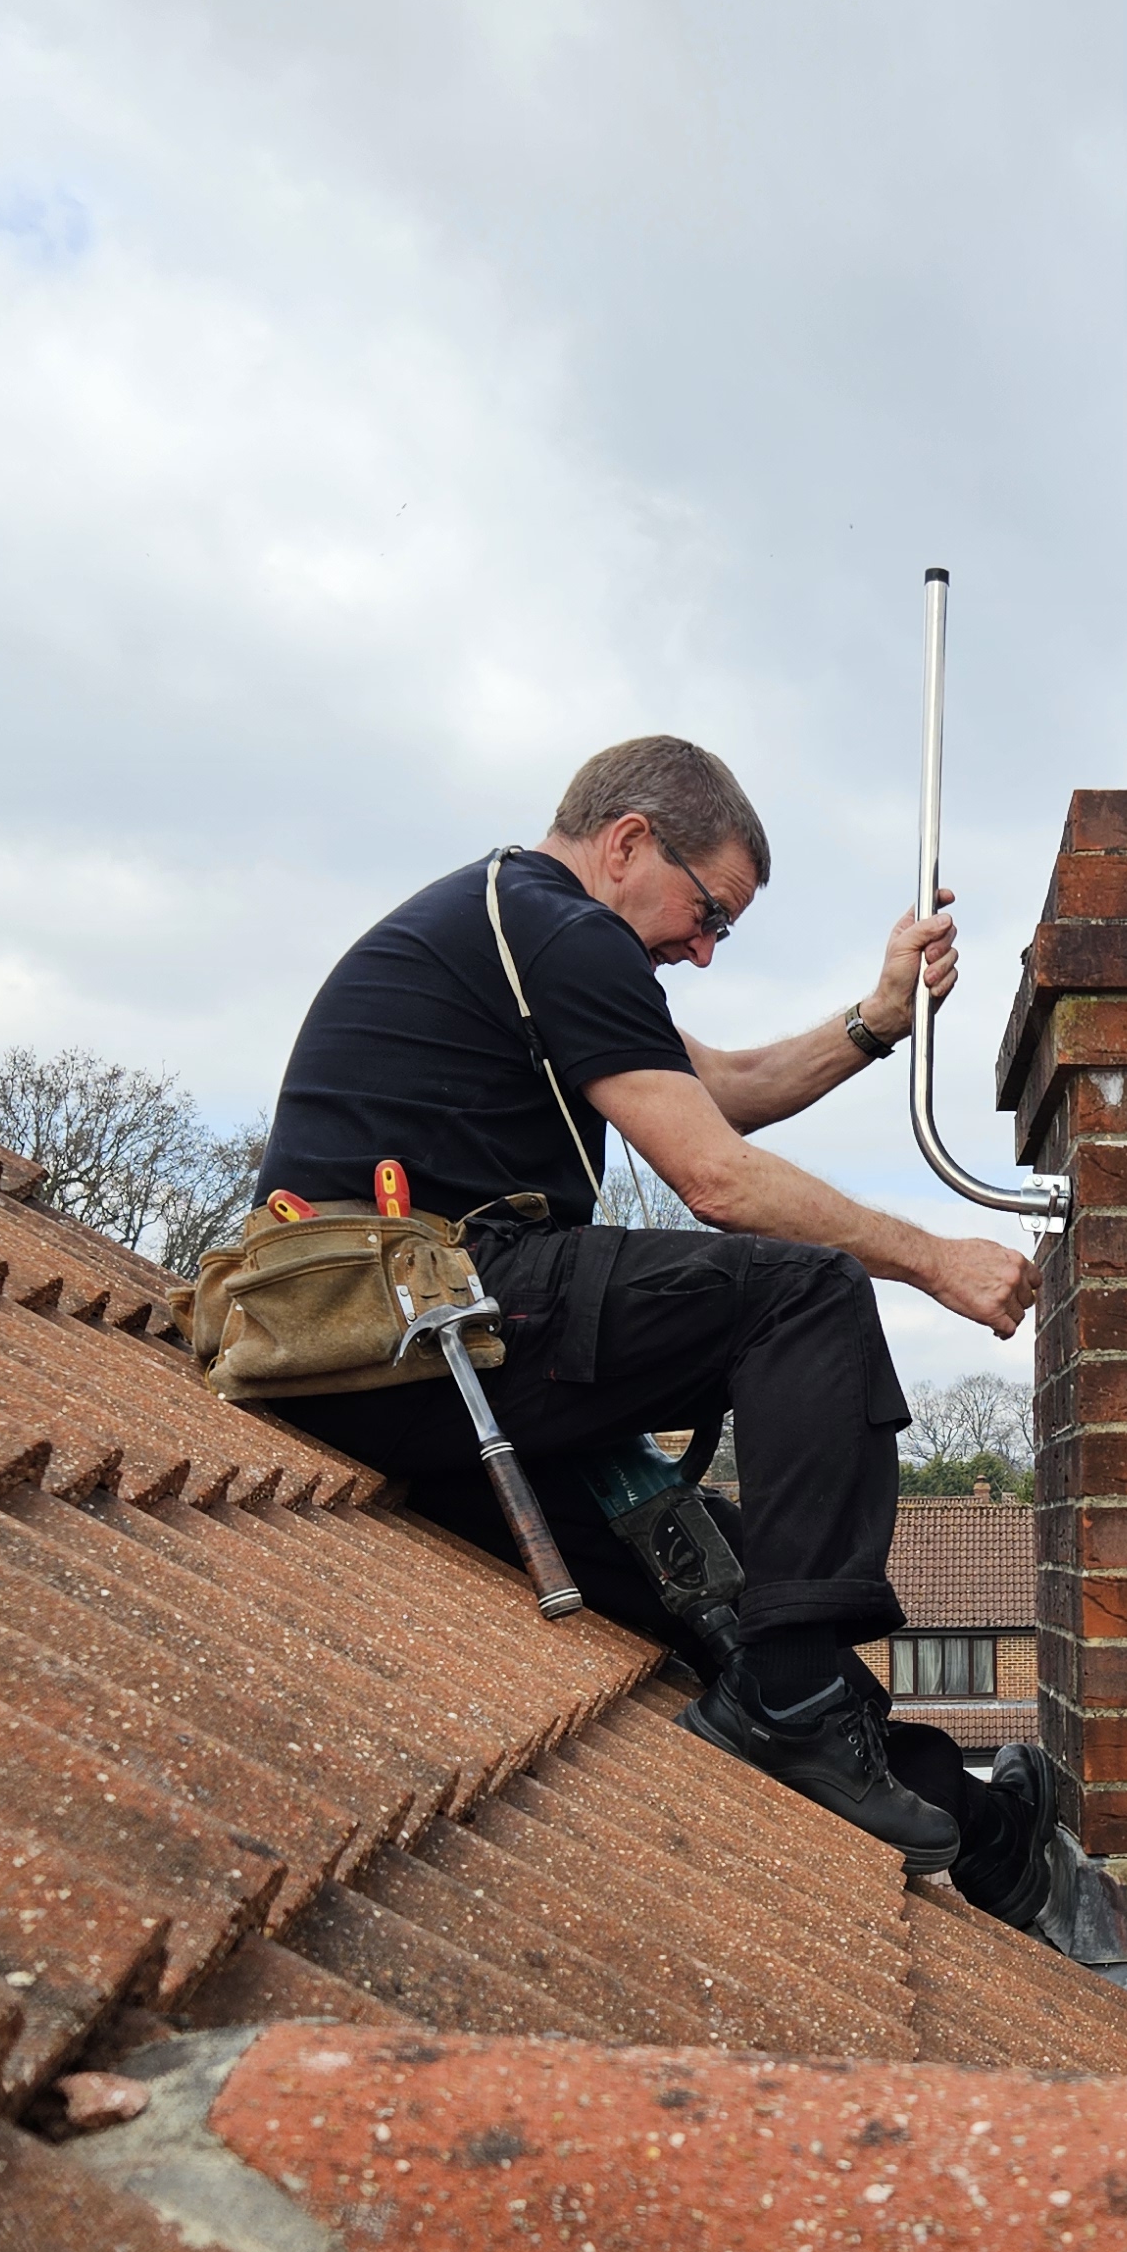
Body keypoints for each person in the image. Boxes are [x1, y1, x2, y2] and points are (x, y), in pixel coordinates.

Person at [253, 735, 1054, 1919]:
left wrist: (877, 1019)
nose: (703, 946)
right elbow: (717, 1179)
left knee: (714, 1585)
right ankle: (789, 1703)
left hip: (411, 1357)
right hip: (416, 1314)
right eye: (706, 910)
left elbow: (717, 1084)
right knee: (804, 1290)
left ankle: (978, 1833)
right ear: (628, 842)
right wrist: (932, 1259)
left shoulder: (525, 933)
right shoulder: (559, 926)